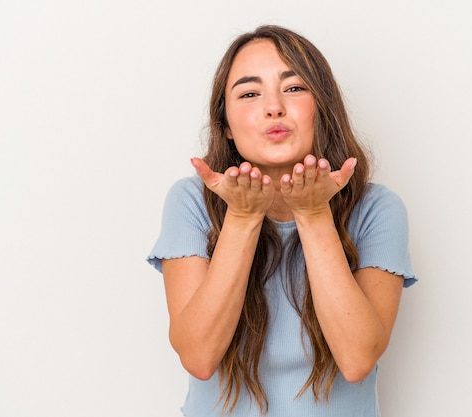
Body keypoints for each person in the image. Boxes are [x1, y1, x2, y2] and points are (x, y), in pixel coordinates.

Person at [147, 24, 417, 417]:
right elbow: (198, 357)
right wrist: (242, 218)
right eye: (250, 93)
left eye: (293, 88)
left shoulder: (378, 208)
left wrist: (312, 213)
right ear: (226, 126)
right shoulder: (191, 202)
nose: (274, 106)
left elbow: (357, 360)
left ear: (321, 107)